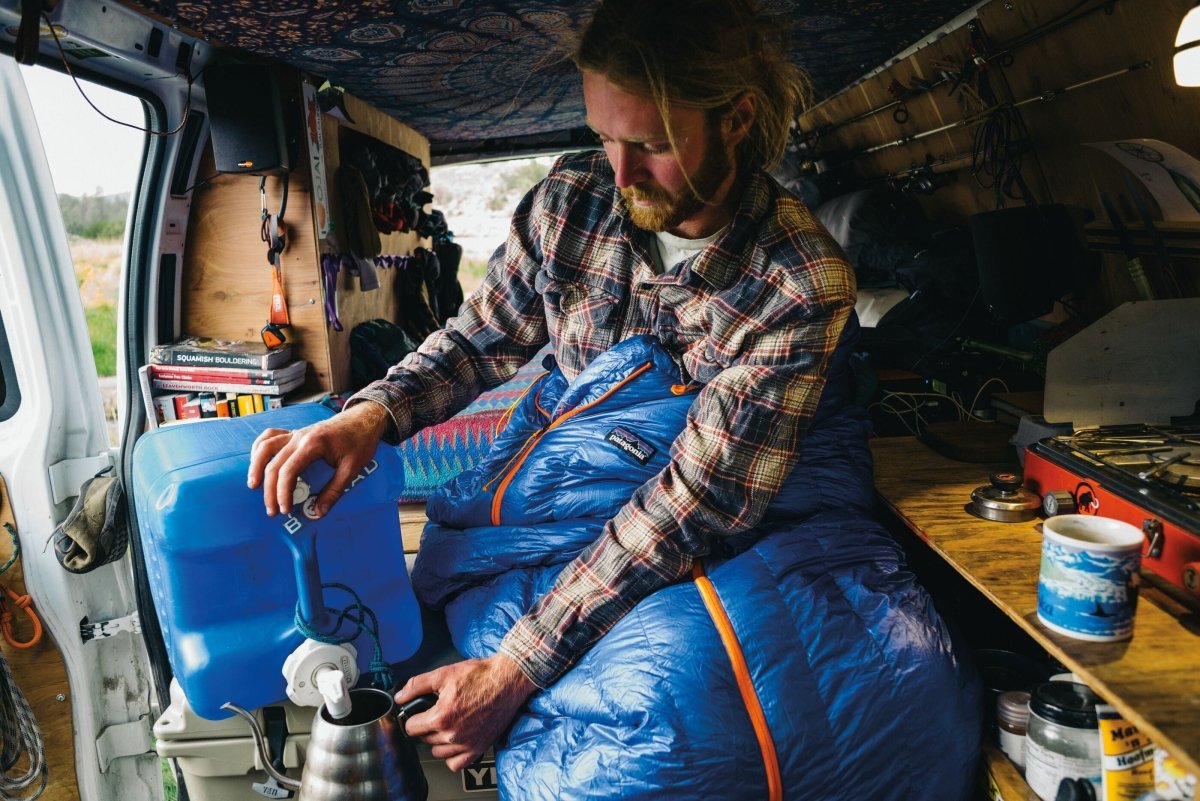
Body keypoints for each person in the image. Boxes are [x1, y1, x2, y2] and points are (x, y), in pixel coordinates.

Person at [250, 1, 977, 793]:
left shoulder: (799, 285)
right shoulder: (573, 200)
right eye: (604, 136)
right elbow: (481, 338)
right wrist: (371, 414)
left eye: (653, 145)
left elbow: (694, 503)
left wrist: (515, 669)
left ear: (737, 120)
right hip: (579, 500)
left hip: (725, 518)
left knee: (688, 714)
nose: (621, 175)